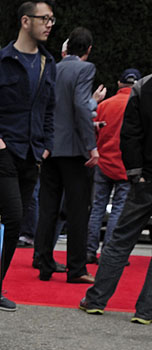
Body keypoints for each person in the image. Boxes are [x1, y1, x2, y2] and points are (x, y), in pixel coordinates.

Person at [0, 1, 56, 311]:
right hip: (2, 154)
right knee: (13, 216)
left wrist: (47, 144)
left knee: (16, 224)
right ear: (25, 21)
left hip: (32, 154)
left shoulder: (48, 64)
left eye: (52, 20)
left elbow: (49, 109)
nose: (49, 24)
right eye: (44, 19)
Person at [80, 72, 152, 325]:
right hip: (139, 174)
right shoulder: (141, 89)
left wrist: (135, 172)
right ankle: (146, 310)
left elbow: (130, 135)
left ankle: (96, 299)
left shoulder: (142, 88)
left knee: (120, 237)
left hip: (141, 175)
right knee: (119, 233)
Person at [33, 27, 99, 284]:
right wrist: (91, 145)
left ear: (67, 48)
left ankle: (44, 263)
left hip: (50, 147)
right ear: (88, 49)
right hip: (74, 150)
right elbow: (82, 106)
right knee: (78, 210)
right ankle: (76, 269)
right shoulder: (85, 69)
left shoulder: (52, 68)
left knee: (48, 207)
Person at [85, 68, 142, 263]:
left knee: (98, 207)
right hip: (126, 165)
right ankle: (109, 253)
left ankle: (89, 251)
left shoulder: (104, 105)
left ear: (119, 83)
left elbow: (92, 133)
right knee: (119, 208)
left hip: (103, 161)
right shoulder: (139, 106)